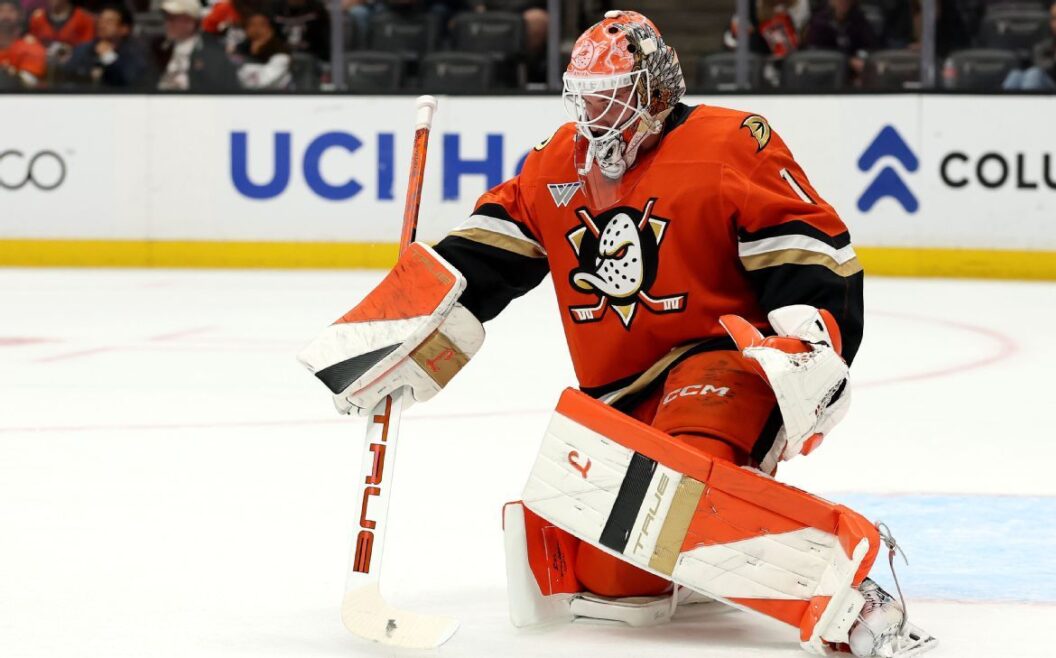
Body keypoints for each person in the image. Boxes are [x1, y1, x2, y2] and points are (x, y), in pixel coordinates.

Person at [298, 10, 937, 658]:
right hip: (619, 397)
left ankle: (848, 590)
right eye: (587, 99)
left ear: (655, 91)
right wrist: (394, 328)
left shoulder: (729, 143)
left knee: (674, 490)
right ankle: (699, 563)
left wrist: (814, 336)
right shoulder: (555, 164)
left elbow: (805, 245)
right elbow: (481, 253)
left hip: (718, 360)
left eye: (613, 97)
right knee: (617, 580)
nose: (596, 116)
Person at [154, 0, 239, 91]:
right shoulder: (157, 48)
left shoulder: (212, 53)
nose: (168, 24)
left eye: (173, 19)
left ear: (191, 22)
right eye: (167, 18)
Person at [63, 3, 150, 88]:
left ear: (124, 29)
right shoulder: (84, 49)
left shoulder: (134, 53)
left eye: (109, 22)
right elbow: (68, 76)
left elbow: (132, 81)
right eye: (100, 20)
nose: (102, 25)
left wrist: (109, 57)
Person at [1004, 0, 1056, 90]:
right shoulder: (1044, 48)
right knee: (1016, 75)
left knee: (1034, 74)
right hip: (1046, 90)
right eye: (1054, 19)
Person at [804, 0, 882, 82]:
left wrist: (862, 59)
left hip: (854, 76)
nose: (843, 2)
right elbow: (817, 55)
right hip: (826, 75)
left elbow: (871, 46)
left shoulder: (858, 19)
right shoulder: (819, 22)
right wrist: (849, 61)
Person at [233, 10, 290, 89]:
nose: (256, 29)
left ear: (271, 29)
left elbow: (262, 84)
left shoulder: (281, 56)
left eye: (262, 25)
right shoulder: (239, 50)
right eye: (252, 24)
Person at [26, 0, 94, 66]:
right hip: (41, 66)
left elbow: (87, 49)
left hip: (72, 67)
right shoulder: (37, 18)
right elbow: (31, 46)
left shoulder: (84, 19)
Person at [0, 0, 46, 86]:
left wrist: (7, 74)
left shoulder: (31, 47)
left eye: (11, 10)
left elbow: (29, 83)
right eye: (1, 10)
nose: (5, 15)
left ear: (20, 15)